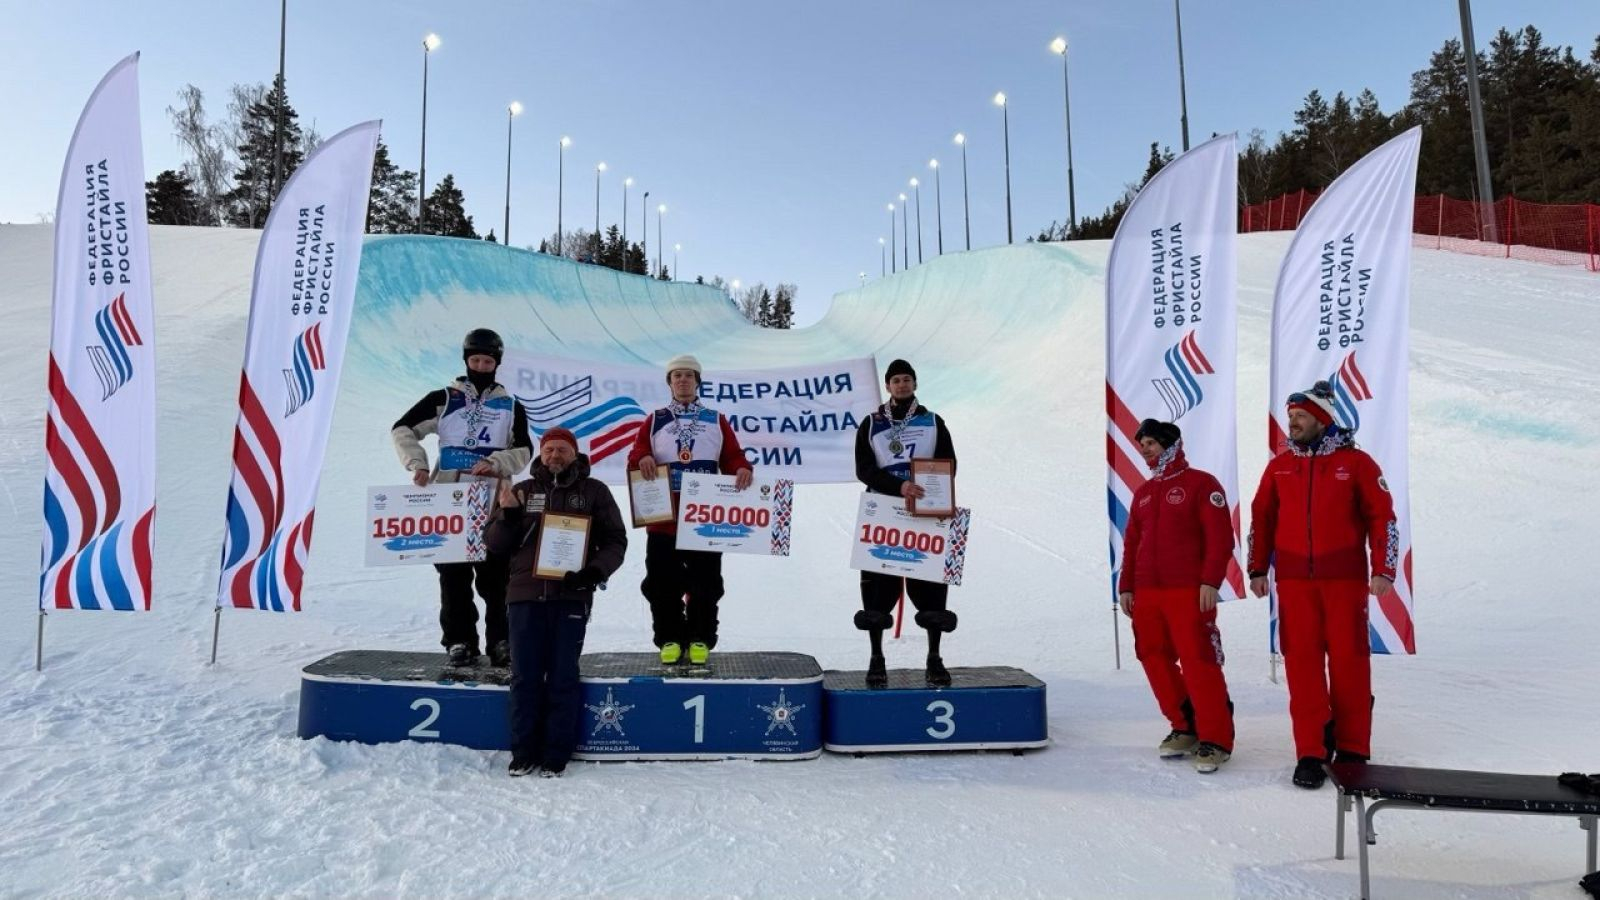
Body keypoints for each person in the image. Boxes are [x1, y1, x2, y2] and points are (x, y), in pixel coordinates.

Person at [1248, 381, 1397, 790]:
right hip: (1295, 585)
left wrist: (1384, 569)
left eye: (1300, 416)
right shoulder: (1279, 466)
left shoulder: (1359, 463)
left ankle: (1352, 748)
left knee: (1350, 663)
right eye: (1290, 416)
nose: (1292, 423)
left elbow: (1383, 517)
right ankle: (1311, 751)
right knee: (1303, 667)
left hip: (1345, 582)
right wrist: (1257, 568)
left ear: (1322, 419)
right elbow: (1262, 518)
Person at [484, 427, 627, 778]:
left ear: (574, 454)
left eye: (562, 449)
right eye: (548, 450)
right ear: (541, 454)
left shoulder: (594, 492)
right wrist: (509, 516)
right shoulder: (521, 491)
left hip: (571, 598)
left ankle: (555, 755)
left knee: (563, 676)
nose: (554, 456)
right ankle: (523, 753)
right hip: (524, 596)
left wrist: (593, 571)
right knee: (525, 677)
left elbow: (616, 540)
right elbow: (495, 544)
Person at [392, 328, 531, 668]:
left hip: (493, 501)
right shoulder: (444, 398)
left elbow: (525, 449)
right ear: (466, 361)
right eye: (476, 360)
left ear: (496, 363)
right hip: (450, 501)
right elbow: (402, 428)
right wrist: (418, 464)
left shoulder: (511, 406)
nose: (481, 366)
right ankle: (459, 641)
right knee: (454, 579)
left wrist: (496, 462)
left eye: (488, 360)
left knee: (496, 579)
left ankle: (501, 640)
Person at [1117, 419, 1236, 774]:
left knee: (1198, 660)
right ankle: (1184, 725)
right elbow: (1132, 545)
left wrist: (1211, 581)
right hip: (1148, 593)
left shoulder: (1201, 484)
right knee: (1152, 655)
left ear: (1170, 444)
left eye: (1151, 443)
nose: (1145, 451)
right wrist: (1126, 586)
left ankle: (1215, 738)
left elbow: (1220, 537)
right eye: (1142, 445)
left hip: (1189, 591)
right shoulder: (1144, 492)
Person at [627, 354, 753, 666]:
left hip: (704, 518)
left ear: (698, 382)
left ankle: (700, 638)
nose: (683, 380)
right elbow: (637, 452)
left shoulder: (715, 419)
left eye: (689, 376)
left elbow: (733, 455)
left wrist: (740, 469)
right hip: (664, 518)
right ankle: (669, 637)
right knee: (661, 582)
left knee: (706, 582)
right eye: (677, 376)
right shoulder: (655, 419)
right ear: (669, 383)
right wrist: (642, 458)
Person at [853, 359, 958, 688]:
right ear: (887, 385)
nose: (902, 385)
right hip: (883, 510)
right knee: (877, 590)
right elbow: (864, 469)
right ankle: (876, 657)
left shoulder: (932, 420)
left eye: (907, 379)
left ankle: (934, 657)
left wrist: (932, 493)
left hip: (924, 512)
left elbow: (948, 463)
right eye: (896, 380)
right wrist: (898, 487)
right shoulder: (871, 423)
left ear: (914, 384)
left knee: (930, 588)